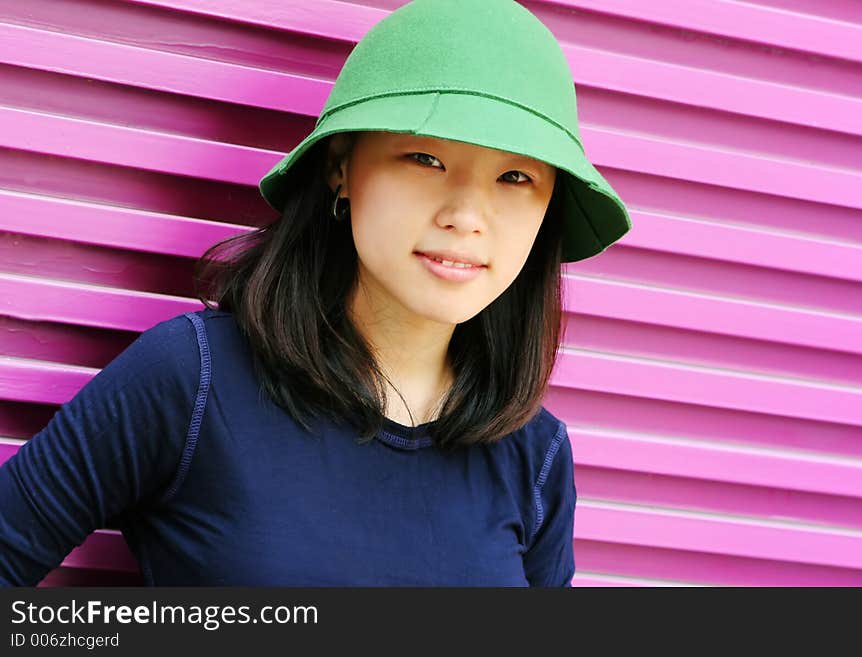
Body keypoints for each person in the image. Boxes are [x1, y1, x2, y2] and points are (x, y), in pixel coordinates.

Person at [0, 0, 630, 586]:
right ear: (341, 169)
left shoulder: (535, 456)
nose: (467, 215)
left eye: (515, 177)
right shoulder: (193, 381)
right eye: (425, 159)